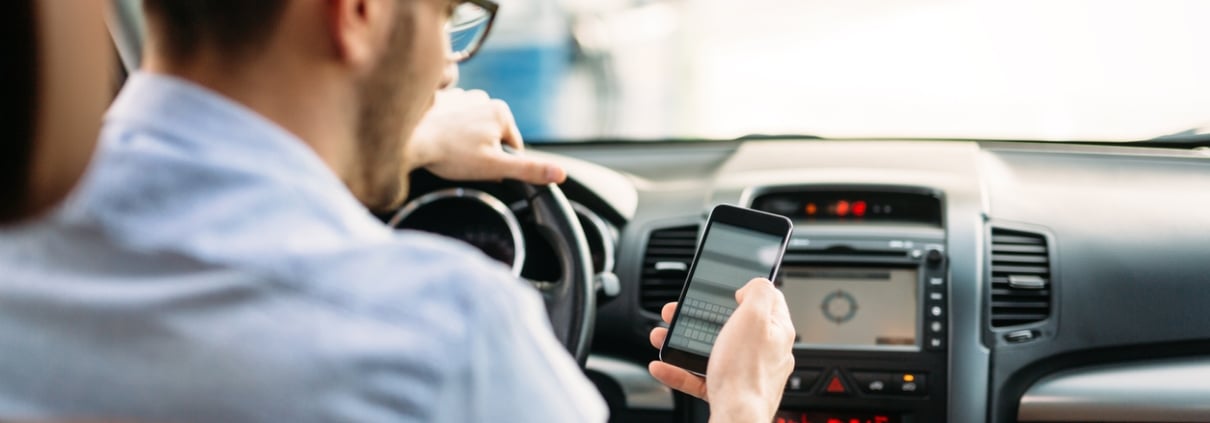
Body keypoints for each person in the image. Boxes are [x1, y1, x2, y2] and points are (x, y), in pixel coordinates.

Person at [0, 0, 797, 422]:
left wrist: (394, 135)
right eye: (447, 16)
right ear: (358, 12)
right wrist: (740, 403)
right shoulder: (443, 335)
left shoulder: (20, 247)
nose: (448, 70)